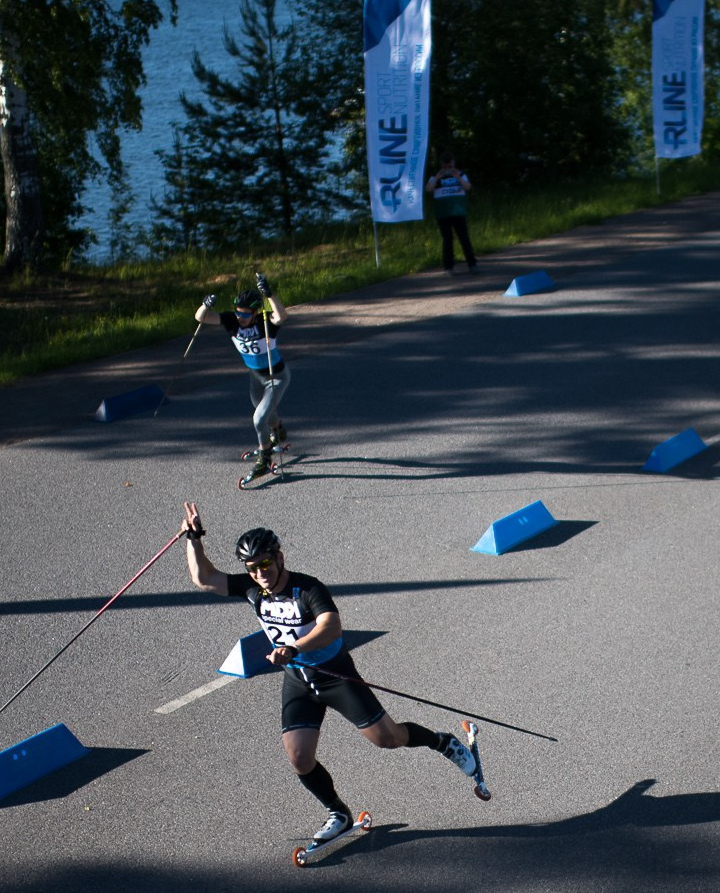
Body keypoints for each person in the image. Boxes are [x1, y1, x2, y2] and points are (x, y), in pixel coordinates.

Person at [179, 506, 489, 848]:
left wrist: (294, 647)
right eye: (252, 568)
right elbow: (204, 578)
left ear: (279, 557)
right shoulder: (253, 590)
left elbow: (331, 626)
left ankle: (441, 742)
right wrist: (194, 539)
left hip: (335, 676)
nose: (260, 573)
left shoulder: (308, 588)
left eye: (265, 564)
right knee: (299, 757)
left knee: (388, 738)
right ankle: (338, 814)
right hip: (298, 681)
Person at [195, 271, 288, 481]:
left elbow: (282, 316)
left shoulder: (264, 321)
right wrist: (205, 304)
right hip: (255, 375)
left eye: (245, 315)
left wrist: (270, 294)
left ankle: (264, 457)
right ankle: (278, 431)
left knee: (258, 418)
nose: (241, 318)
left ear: (255, 313)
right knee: (264, 412)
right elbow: (200, 317)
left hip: (277, 376)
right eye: (239, 313)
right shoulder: (231, 321)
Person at [424, 153, 477, 276]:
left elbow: (468, 187)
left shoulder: (461, 174)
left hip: (458, 211)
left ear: (453, 163)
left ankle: (472, 264)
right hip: (443, 213)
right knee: (447, 239)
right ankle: (449, 267)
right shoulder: (435, 176)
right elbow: (428, 189)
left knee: (464, 238)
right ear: (441, 164)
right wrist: (437, 177)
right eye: (445, 165)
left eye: (450, 164)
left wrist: (457, 177)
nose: (448, 167)